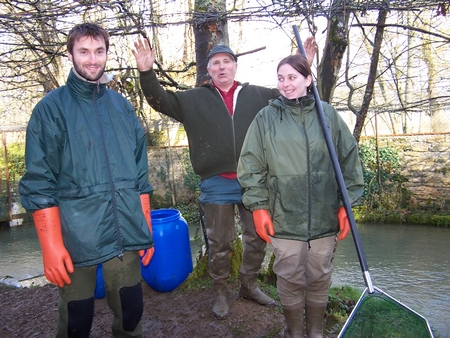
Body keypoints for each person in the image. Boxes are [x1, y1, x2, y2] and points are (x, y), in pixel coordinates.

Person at [132, 37, 316, 320]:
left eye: (226, 62)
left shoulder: (257, 95)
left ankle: (248, 284)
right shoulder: (194, 99)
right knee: (220, 242)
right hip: (215, 181)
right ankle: (219, 290)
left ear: (235, 66)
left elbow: (290, 96)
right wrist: (146, 73)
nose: (222, 67)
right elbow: (160, 100)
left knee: (258, 236)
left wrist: (305, 70)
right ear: (209, 70)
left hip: (254, 179)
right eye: (216, 63)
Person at [19, 23, 154, 338]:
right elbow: (40, 182)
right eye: (84, 51)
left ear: (107, 54)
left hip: (125, 230)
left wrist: (144, 225)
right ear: (70, 54)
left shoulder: (122, 107)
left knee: (131, 312)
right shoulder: (50, 110)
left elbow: (139, 172)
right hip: (74, 235)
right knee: (76, 319)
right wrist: (50, 245)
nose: (92, 59)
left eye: (99, 51)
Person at [237, 54, 364, 338]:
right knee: (289, 276)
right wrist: (258, 207)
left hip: (324, 214)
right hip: (283, 215)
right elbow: (250, 165)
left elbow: (349, 159)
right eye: (280, 78)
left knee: (319, 273)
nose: (285, 84)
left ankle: (316, 332)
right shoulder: (266, 118)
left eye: (292, 77)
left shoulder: (328, 115)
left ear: (308, 80)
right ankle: (295, 332)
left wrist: (347, 203)